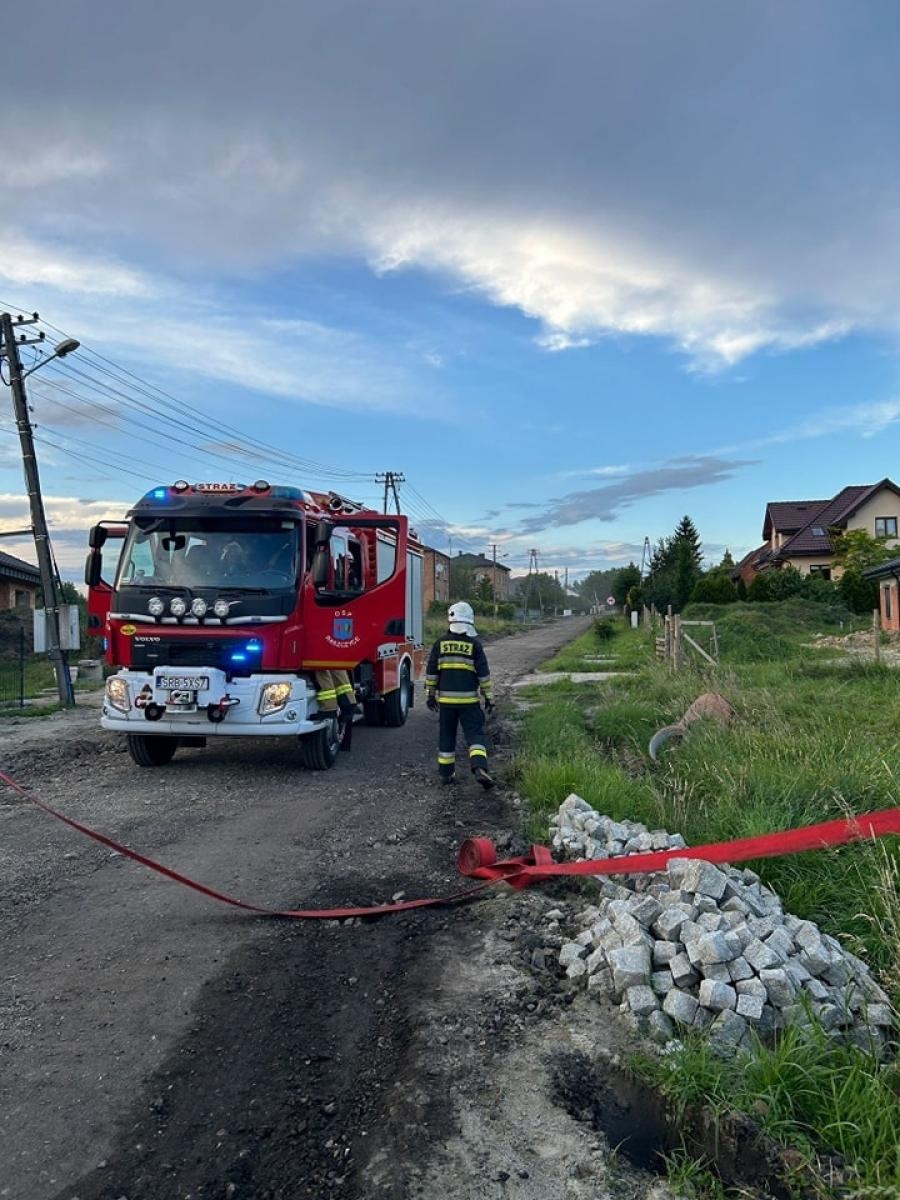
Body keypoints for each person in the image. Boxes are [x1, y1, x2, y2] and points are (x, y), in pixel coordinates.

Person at [425, 600, 494, 789]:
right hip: (469, 702)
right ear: (470, 622)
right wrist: (489, 697)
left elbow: (432, 672)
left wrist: (430, 695)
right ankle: (480, 767)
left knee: (446, 736)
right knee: (475, 734)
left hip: (446, 702)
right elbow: (484, 675)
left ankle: (446, 774)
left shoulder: (440, 644)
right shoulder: (475, 645)